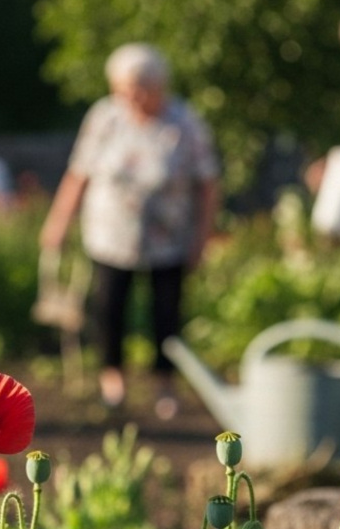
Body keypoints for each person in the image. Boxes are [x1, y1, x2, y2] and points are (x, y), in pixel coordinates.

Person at [40, 43, 220, 419]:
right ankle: (113, 381)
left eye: (140, 89)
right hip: (110, 233)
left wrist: (202, 237)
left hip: (168, 237)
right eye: (123, 90)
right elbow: (79, 171)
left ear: (160, 86)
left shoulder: (185, 123)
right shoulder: (105, 117)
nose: (132, 98)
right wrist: (58, 221)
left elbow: (207, 184)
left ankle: (164, 384)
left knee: (166, 313)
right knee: (109, 308)